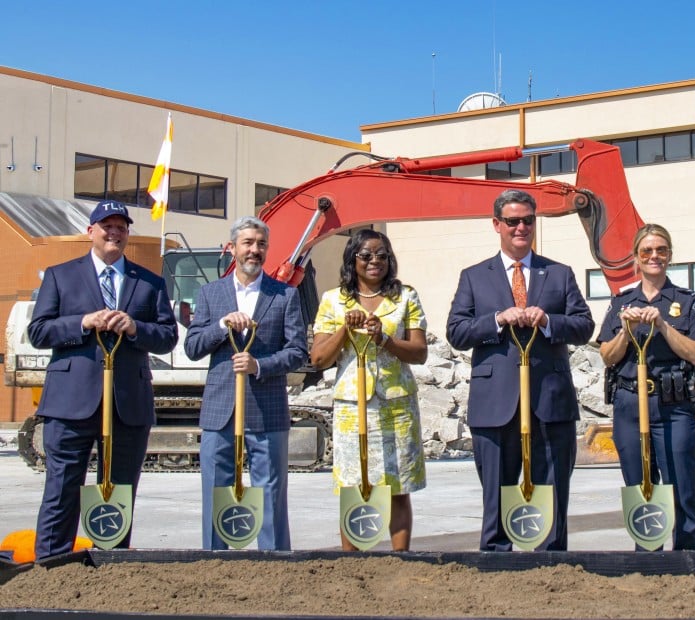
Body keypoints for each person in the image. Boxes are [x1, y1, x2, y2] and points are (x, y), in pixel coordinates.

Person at [446, 188, 595, 551]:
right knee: (498, 493)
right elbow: (456, 332)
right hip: (496, 404)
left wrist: (548, 321)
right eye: (512, 221)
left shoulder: (558, 274)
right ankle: (496, 562)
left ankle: (550, 563)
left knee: (551, 490)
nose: (521, 228)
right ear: (497, 224)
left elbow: (584, 325)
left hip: (549, 400)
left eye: (528, 220)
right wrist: (496, 320)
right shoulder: (474, 276)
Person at [28, 200, 177, 560]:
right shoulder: (60, 275)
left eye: (121, 227)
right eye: (106, 226)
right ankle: (51, 562)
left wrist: (135, 328)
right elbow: (39, 330)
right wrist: (82, 322)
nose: (114, 233)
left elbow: (168, 336)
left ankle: (113, 564)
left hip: (127, 403)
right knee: (62, 487)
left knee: (119, 490)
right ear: (90, 231)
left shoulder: (150, 282)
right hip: (71, 401)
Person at [184, 215, 307, 550]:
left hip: (266, 411)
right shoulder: (210, 294)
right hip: (220, 410)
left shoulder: (284, 296)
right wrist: (221, 326)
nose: (255, 250)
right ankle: (215, 562)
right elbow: (193, 347)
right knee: (216, 492)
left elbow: (297, 352)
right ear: (232, 247)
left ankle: (275, 561)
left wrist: (259, 365)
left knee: (270, 494)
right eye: (248, 243)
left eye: (261, 244)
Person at [597, 224, 695, 550]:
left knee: (682, 487)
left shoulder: (685, 302)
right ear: (636, 257)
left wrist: (662, 325)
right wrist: (625, 330)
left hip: (673, 404)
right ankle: (647, 558)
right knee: (640, 488)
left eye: (661, 250)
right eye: (646, 251)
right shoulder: (622, 302)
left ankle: (687, 558)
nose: (654, 257)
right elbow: (608, 356)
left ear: (670, 256)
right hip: (630, 404)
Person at [310, 230, 428, 551]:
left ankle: (400, 558)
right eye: (365, 255)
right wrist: (345, 330)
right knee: (353, 486)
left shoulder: (405, 297)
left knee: (397, 485)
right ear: (352, 261)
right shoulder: (333, 300)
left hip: (396, 406)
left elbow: (419, 352)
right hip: (352, 408)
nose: (374, 261)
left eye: (382, 255)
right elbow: (319, 357)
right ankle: (353, 562)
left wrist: (385, 339)